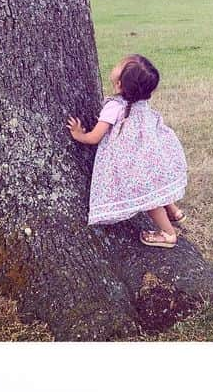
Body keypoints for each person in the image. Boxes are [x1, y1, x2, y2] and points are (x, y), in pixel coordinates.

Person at [66, 54, 187, 248]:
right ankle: (174, 211)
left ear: (120, 84)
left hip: (134, 162)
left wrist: (79, 134)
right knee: (156, 183)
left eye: (119, 65)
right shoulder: (140, 102)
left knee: (150, 200)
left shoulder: (113, 108)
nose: (115, 65)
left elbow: (95, 137)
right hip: (150, 155)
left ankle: (168, 234)